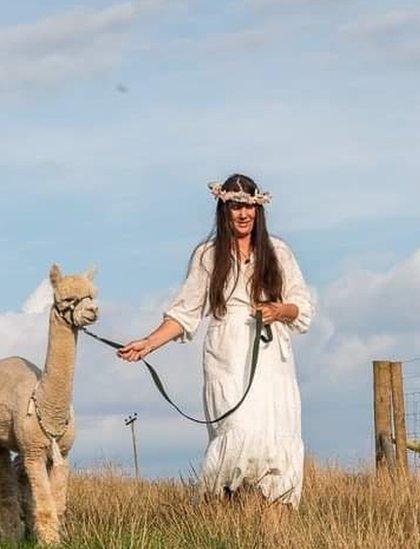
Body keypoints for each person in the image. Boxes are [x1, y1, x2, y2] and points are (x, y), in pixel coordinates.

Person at [118, 173, 314, 507]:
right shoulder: (208, 255)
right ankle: (221, 516)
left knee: (273, 440)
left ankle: (272, 528)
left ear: (258, 210)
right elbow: (185, 312)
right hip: (227, 353)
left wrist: (279, 310)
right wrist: (149, 343)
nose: (243, 214)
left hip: (271, 356)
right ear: (224, 210)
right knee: (236, 432)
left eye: (249, 207)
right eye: (236, 206)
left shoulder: (278, 251)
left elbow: (302, 307)